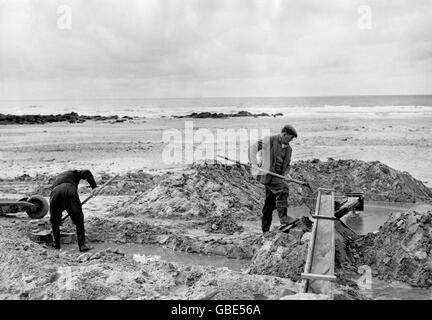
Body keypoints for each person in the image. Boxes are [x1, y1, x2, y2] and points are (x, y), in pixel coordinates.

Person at [249, 125, 299, 233]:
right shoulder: (270, 140)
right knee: (284, 188)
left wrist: (286, 174)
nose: (291, 140)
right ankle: (284, 218)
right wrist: (254, 163)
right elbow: (253, 148)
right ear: (284, 134)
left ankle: (265, 231)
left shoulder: (289, 149)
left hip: (277, 178)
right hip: (266, 175)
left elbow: (287, 166)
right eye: (290, 138)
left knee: (269, 204)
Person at [49, 169, 97, 251]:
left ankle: (56, 244)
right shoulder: (74, 173)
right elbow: (87, 172)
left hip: (55, 194)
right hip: (69, 190)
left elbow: (57, 202)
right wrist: (94, 187)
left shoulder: (56, 179)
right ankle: (82, 245)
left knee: (55, 221)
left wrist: (57, 219)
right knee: (78, 220)